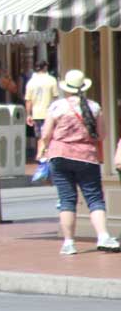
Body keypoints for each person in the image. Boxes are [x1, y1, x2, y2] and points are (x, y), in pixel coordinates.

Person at [40, 69, 120, 255]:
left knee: (67, 200)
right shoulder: (94, 107)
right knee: (94, 198)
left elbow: (45, 134)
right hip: (86, 157)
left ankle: (68, 242)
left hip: (59, 155)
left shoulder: (57, 107)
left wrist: (45, 147)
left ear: (66, 88)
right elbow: (101, 135)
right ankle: (103, 235)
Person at [25, 60, 58, 160]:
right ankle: (44, 154)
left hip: (37, 113)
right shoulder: (51, 80)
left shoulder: (31, 82)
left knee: (39, 136)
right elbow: (55, 97)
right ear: (45, 68)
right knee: (50, 135)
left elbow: (28, 100)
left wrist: (28, 114)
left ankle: (41, 155)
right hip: (49, 113)